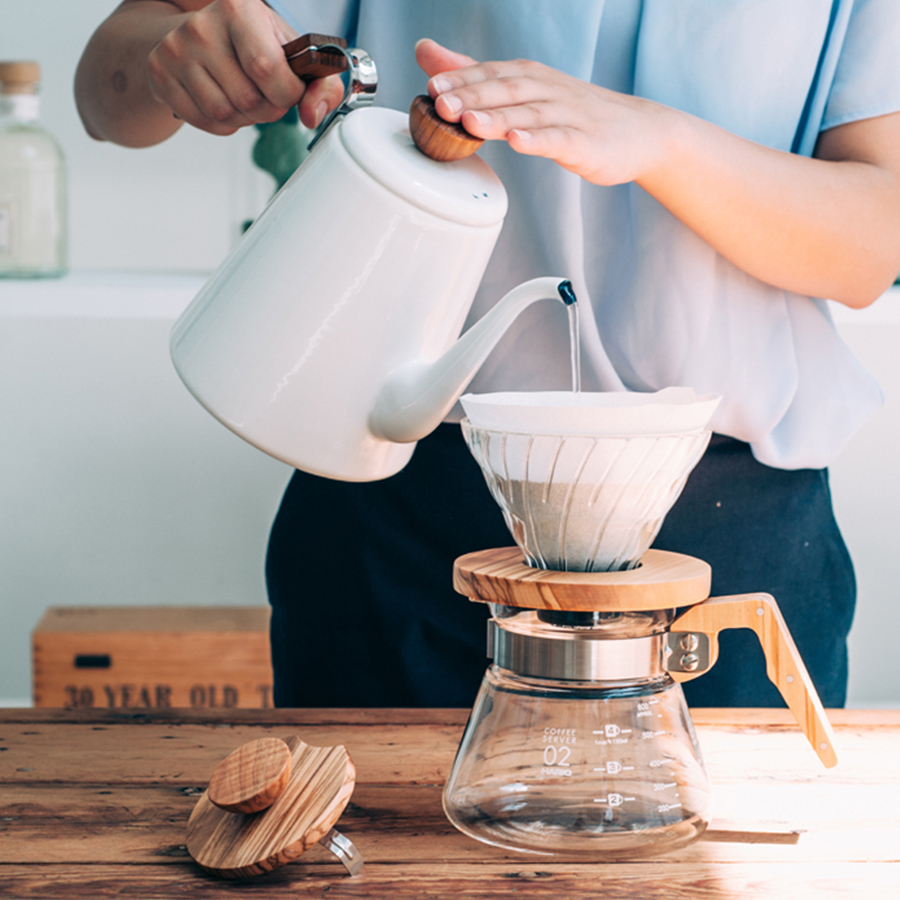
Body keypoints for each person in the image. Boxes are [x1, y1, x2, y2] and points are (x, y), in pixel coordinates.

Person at [76, 0, 900, 709]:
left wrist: (660, 142)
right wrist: (169, 61)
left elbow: (877, 238)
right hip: (405, 510)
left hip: (727, 541)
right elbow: (107, 85)